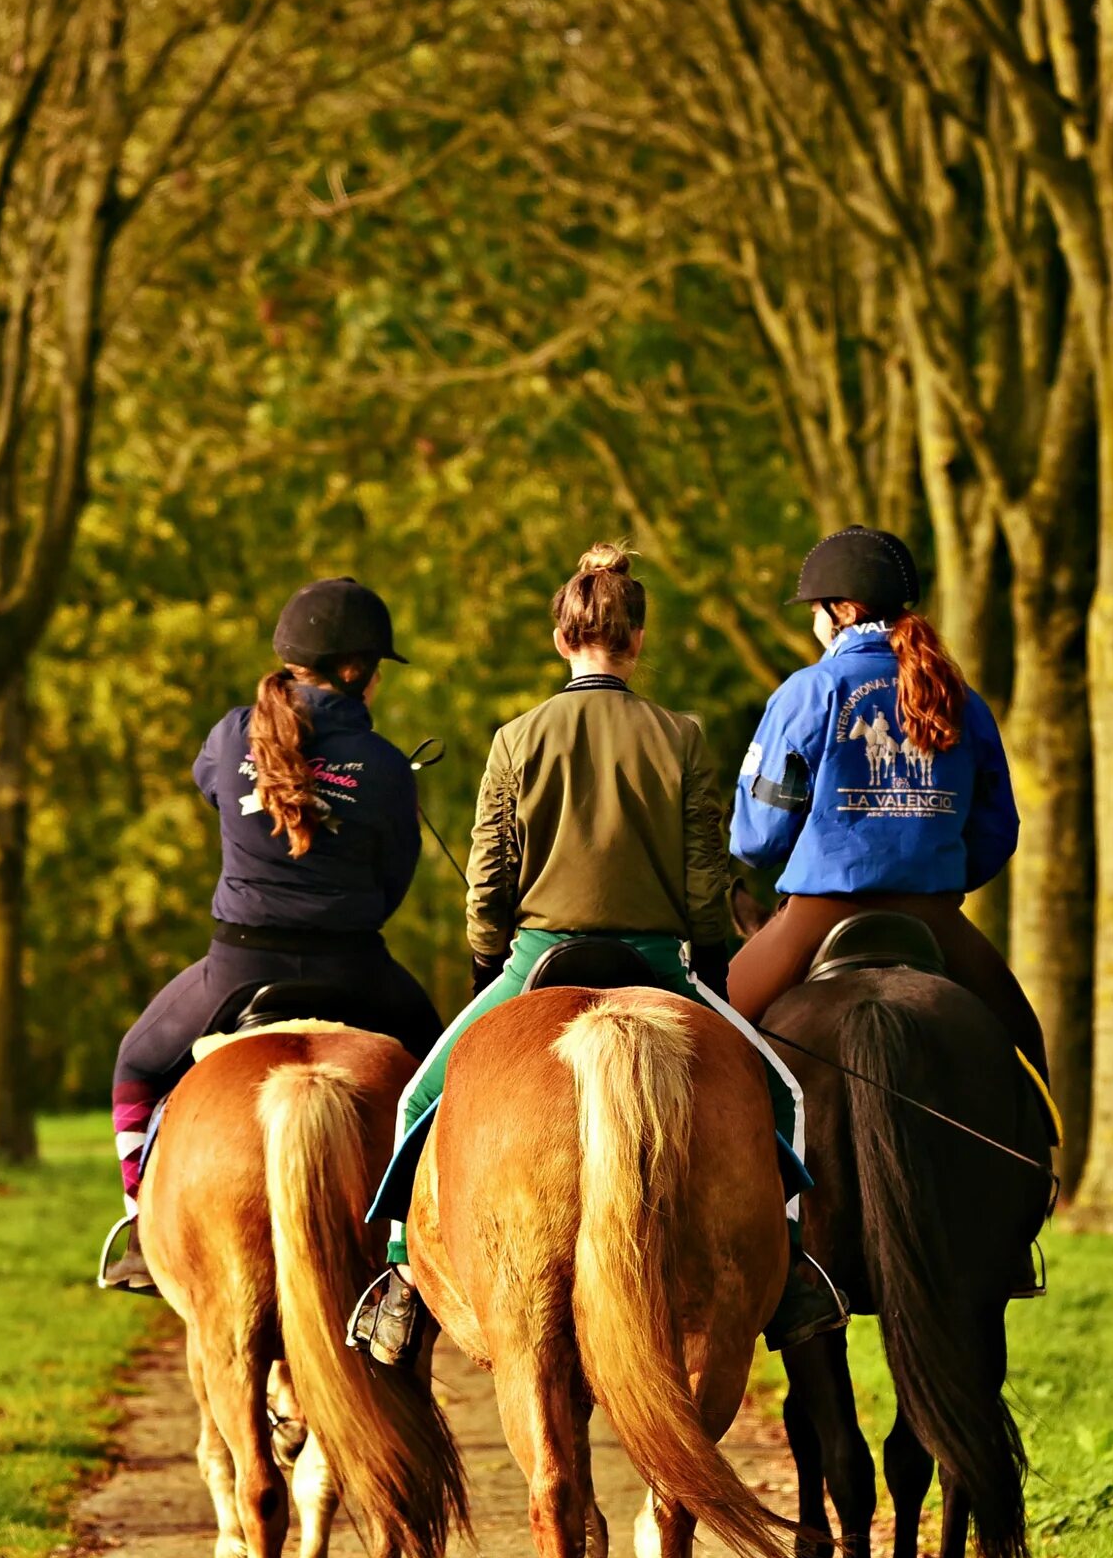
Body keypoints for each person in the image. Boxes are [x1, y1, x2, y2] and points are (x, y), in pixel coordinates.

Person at [360, 543, 841, 1353]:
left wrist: (490, 960)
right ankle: (789, 1270)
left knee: (418, 1101)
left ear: (562, 639)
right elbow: (704, 874)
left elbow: (489, 875)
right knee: (783, 1095)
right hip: (657, 960)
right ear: (638, 639)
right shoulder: (680, 736)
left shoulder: (516, 737)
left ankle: (403, 1280)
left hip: (537, 956)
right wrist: (711, 958)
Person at [99, 576, 444, 1292]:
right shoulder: (383, 766)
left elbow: (209, 788)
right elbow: (394, 883)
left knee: (135, 1066)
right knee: (443, 1077)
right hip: (356, 970)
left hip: (234, 968)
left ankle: (139, 1226)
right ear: (358, 673)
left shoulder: (231, 735)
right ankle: (428, 1238)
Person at [727, 524, 1046, 1076]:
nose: (813, 622)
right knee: (1027, 1053)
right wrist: (934, 866)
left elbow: (758, 837)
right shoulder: (961, 699)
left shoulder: (809, 691)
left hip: (818, 915)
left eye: (815, 610)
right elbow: (997, 830)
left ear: (844, 610)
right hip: (934, 914)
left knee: (707, 1043)